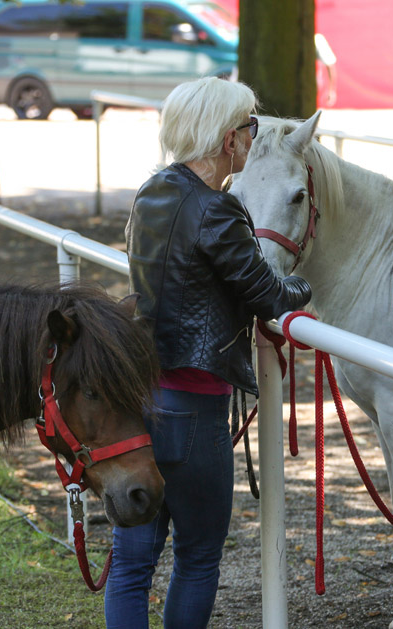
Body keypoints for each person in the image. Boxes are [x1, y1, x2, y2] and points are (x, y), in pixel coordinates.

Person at [108, 77, 312, 628]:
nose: (253, 136)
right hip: (195, 408)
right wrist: (306, 288)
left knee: (131, 563)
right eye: (249, 127)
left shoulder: (151, 192)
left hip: (141, 395)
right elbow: (270, 294)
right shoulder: (217, 211)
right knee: (197, 558)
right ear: (229, 139)